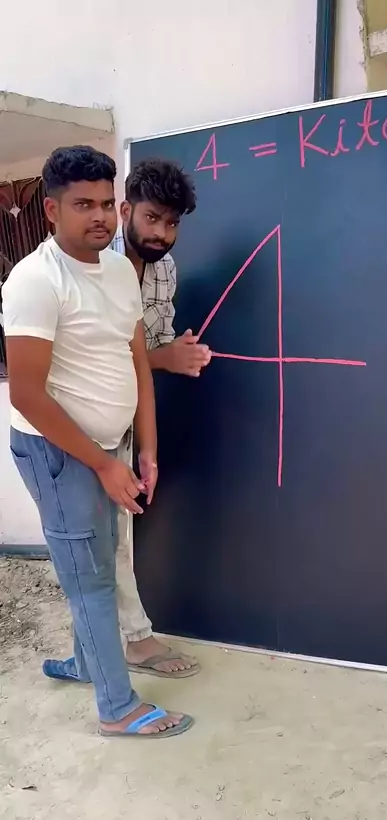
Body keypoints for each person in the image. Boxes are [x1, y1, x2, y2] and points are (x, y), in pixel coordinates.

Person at [3, 145, 193, 738]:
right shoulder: (35, 281)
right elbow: (26, 395)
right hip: (58, 454)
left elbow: (137, 363)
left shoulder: (117, 272)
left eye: (107, 204)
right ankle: (118, 708)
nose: (101, 217)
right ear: (52, 211)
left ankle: (87, 664)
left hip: (110, 447)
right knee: (90, 578)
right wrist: (104, 467)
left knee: (103, 563)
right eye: (84, 205)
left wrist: (146, 450)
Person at [109, 158, 212, 677]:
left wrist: (175, 354)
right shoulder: (96, 267)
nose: (161, 234)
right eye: (152, 218)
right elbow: (98, 359)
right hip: (93, 418)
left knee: (118, 531)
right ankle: (135, 640)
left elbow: (152, 345)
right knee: (109, 534)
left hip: (134, 415)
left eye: (171, 223)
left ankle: (99, 647)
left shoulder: (165, 268)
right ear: (125, 210)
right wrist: (164, 358)